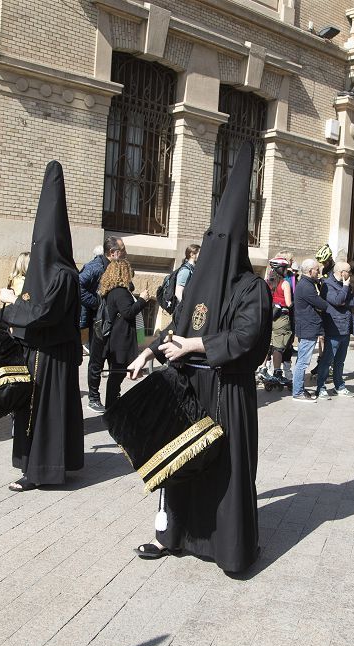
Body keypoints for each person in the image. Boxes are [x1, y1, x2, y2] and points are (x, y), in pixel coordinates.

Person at [127, 145, 272, 573]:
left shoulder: (253, 289)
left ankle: (230, 549)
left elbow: (247, 337)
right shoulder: (198, 285)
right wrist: (149, 352)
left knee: (226, 470)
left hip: (228, 390)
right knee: (181, 461)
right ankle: (171, 535)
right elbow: (178, 326)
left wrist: (194, 347)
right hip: (191, 389)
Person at [0, 162, 84, 491]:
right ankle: (54, 463)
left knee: (42, 413)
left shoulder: (61, 275)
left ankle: (40, 471)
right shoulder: (48, 273)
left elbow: (39, 312)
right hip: (43, 353)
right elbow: (30, 305)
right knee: (43, 412)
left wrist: (6, 311)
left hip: (51, 356)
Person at [98, 259, 152, 408]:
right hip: (120, 340)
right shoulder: (120, 292)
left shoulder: (113, 291)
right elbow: (128, 313)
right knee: (117, 374)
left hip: (117, 338)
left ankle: (113, 402)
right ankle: (112, 405)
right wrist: (142, 300)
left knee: (117, 374)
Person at [85, 236, 127, 413]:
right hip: (98, 323)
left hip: (114, 326)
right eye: (123, 250)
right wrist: (96, 302)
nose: (125, 253)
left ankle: (112, 398)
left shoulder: (117, 266)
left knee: (115, 363)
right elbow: (77, 285)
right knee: (96, 361)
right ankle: (93, 398)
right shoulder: (95, 267)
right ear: (113, 252)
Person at [315, 261, 354, 398]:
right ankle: (320, 387)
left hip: (345, 327)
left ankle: (339, 386)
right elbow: (337, 300)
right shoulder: (327, 285)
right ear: (341, 272)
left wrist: (345, 299)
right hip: (334, 327)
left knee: (340, 360)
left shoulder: (346, 284)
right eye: (349, 272)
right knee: (327, 359)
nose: (350, 274)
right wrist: (345, 289)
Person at [291, 258, 329, 402]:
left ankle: (299, 388)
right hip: (308, 328)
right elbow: (321, 304)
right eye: (316, 270)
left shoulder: (307, 284)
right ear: (309, 271)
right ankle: (298, 392)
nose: (318, 272)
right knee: (303, 362)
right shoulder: (306, 286)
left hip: (307, 326)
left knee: (301, 360)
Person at [259, 256, 293, 388]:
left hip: (270, 317)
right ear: (280, 269)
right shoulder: (285, 283)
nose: (286, 270)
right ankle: (277, 372)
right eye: (285, 268)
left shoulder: (267, 282)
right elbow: (289, 304)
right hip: (282, 318)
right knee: (279, 347)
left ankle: (263, 368)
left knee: (269, 344)